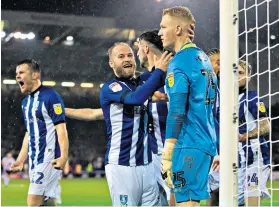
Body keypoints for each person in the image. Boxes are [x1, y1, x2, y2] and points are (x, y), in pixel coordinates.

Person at [158, 6, 217, 206]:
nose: (159, 33)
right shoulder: (203, 59)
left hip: (189, 142)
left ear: (177, 29)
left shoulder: (179, 62)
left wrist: (167, 155)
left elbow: (176, 112)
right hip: (205, 141)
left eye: (163, 27)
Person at [100, 42, 172, 206]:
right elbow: (135, 99)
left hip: (147, 166)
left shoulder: (141, 82)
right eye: (121, 56)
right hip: (122, 166)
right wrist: (159, 71)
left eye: (130, 55)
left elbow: (159, 72)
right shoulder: (111, 87)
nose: (127, 59)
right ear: (111, 63)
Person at [207, 58, 271, 206]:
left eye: (241, 73)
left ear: (248, 77)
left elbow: (266, 126)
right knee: (213, 191)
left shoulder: (252, 98)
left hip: (254, 160)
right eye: (234, 72)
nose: (237, 76)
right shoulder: (220, 100)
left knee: (250, 201)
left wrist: (243, 136)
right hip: (230, 158)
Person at [10, 59, 69, 206]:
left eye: (21, 72)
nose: (17, 76)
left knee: (33, 203)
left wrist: (64, 156)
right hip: (35, 161)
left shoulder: (51, 96)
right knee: (47, 202)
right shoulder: (25, 103)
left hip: (48, 159)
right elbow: (29, 133)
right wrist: (21, 159)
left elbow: (61, 129)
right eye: (16, 73)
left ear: (35, 75)